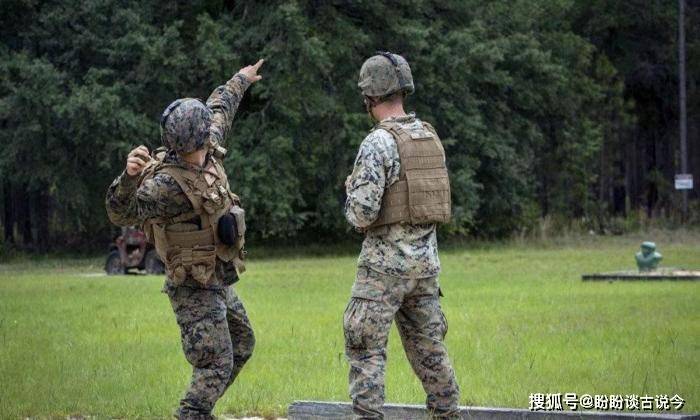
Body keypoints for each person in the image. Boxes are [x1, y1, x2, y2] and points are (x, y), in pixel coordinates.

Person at [105, 59, 264, 420]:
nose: (211, 133)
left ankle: (198, 410)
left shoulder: (209, 146)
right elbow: (120, 213)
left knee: (242, 344)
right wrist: (128, 178)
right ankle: (191, 413)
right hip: (192, 286)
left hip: (218, 277)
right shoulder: (164, 186)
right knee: (214, 365)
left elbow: (222, 105)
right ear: (193, 138)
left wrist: (242, 78)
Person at [343, 52, 461, 419]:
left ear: (370, 97)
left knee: (366, 351)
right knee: (431, 352)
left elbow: (362, 213)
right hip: (425, 269)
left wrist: (349, 196)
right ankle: (448, 414)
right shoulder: (429, 137)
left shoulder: (377, 143)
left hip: (382, 271)